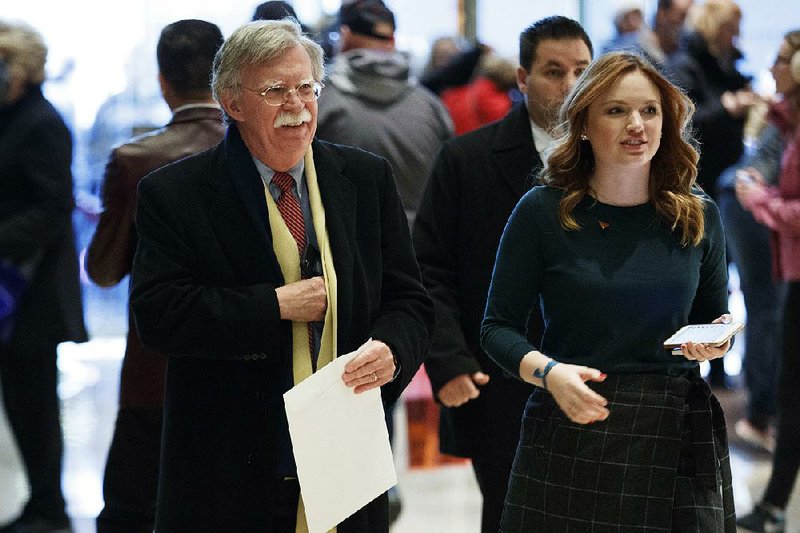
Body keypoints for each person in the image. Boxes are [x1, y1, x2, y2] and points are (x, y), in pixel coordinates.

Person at [128, 19, 433, 532]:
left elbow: (410, 301)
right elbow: (159, 316)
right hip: (231, 462)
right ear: (232, 101)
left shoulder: (364, 178)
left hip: (345, 451)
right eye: (275, 90)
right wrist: (274, 306)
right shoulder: (177, 193)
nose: (296, 104)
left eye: (305, 88)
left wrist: (393, 348)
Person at [481, 51, 736, 531]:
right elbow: (497, 328)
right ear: (583, 124)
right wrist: (550, 374)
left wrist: (718, 340)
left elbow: (715, 319)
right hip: (573, 421)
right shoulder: (543, 211)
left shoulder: (697, 213)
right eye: (616, 110)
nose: (636, 124)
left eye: (650, 110)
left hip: (675, 427)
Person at [413, 16, 592, 533]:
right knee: (513, 514)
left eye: (581, 70)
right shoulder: (466, 160)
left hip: (599, 371)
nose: (570, 85)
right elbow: (429, 267)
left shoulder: (619, 159)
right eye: (554, 72)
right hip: (499, 376)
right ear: (522, 79)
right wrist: (446, 358)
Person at [85, 19, 225, 533]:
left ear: (162, 81)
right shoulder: (268, 153)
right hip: (253, 355)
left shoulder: (136, 161)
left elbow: (102, 269)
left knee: (131, 509)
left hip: (156, 364)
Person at [0, 20, 87, 533]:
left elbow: (52, 206)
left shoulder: (40, 121)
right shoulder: (13, 117)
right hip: (16, 286)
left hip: (31, 291)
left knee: (33, 402)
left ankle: (49, 507)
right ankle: (42, 504)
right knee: (21, 398)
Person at [667, 0, 757, 388]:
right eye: (730, 26)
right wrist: (726, 106)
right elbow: (684, 118)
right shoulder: (686, 62)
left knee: (722, 275)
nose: (734, 34)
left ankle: (718, 360)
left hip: (725, 179)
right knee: (703, 270)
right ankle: (702, 361)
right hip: (699, 179)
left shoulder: (728, 61)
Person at [734, 29, 800, 533]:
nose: (774, 69)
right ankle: (775, 504)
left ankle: (775, 505)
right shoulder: (786, 120)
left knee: (791, 392)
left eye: (783, 61)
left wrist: (761, 201)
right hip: (792, 272)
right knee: (789, 391)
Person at [316, 0, 453, 229]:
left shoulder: (319, 102)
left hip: (343, 245)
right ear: (392, 41)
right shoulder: (432, 107)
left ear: (345, 35)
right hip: (417, 248)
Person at [716, 120, 785, 453]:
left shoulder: (785, 111)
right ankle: (761, 415)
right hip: (747, 206)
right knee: (768, 307)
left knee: (769, 308)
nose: (773, 70)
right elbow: (755, 176)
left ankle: (763, 412)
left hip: (745, 202)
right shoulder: (789, 112)